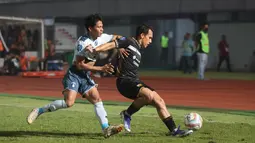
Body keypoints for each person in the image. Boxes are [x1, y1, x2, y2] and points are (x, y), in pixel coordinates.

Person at [26, 14, 125, 138]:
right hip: (75, 73)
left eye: (102, 27)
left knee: (97, 99)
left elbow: (118, 37)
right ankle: (38, 111)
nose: (102, 29)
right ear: (90, 28)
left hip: (85, 75)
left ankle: (106, 128)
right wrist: (100, 68)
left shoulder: (102, 38)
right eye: (99, 27)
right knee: (69, 102)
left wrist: (121, 46)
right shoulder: (82, 43)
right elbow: (79, 65)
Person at [89, 24, 193, 137]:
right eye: (150, 37)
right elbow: (111, 44)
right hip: (125, 82)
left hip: (134, 80)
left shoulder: (137, 49)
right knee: (148, 95)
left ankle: (174, 131)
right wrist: (95, 50)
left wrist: (119, 50)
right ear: (142, 35)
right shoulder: (129, 41)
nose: (150, 41)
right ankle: (128, 113)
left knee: (159, 100)